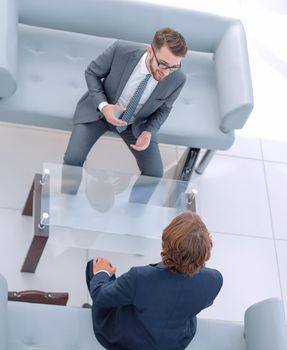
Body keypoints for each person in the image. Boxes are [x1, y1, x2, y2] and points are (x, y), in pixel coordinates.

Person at [63, 28, 187, 187]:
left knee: (154, 173)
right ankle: (67, 202)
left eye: (174, 66)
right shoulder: (121, 51)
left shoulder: (178, 78)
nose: (167, 72)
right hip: (99, 113)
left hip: (136, 124)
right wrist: (103, 106)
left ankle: (135, 211)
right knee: (72, 159)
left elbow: (165, 109)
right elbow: (92, 73)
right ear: (150, 51)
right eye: (163, 64)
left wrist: (149, 132)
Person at [85, 211, 223, 350]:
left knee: (94, 266)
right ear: (205, 250)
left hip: (128, 341)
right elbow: (205, 302)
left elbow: (100, 296)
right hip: (174, 343)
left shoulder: (140, 277)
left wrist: (102, 272)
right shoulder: (214, 280)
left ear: (165, 244)